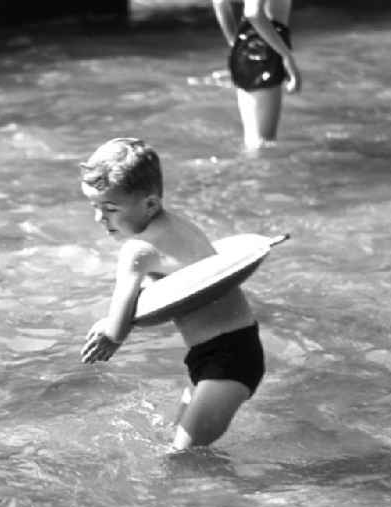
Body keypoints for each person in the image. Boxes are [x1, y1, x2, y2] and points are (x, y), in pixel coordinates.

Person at [78, 138, 264, 451]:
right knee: (175, 442)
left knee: (182, 459)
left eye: (110, 208)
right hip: (239, 350)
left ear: (149, 204)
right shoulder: (181, 226)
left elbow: (118, 329)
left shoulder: (137, 251)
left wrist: (106, 332)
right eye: (95, 207)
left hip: (223, 363)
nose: (100, 218)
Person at [212, 0, 301, 149]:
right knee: (263, 144)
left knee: (255, 141)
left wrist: (235, 44)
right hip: (266, 46)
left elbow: (220, 2)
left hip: (250, 45)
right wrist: (286, 56)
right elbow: (253, 12)